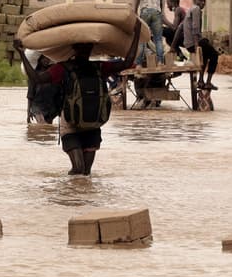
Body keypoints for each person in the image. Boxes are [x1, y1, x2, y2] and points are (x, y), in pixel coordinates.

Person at [16, 22, 140, 175]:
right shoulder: (64, 68)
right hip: (70, 124)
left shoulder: (99, 67)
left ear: (91, 48)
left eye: (87, 46)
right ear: (74, 48)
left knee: (86, 173)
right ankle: (69, 189)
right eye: (82, 46)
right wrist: (22, 54)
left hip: (92, 124)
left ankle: (77, 190)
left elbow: (127, 62)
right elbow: (36, 79)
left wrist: (136, 34)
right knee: (79, 169)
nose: (85, 49)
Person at [171, 0, 218, 90]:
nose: (203, 3)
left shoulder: (189, 11)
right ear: (195, 1)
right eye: (201, 1)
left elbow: (180, 28)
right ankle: (208, 82)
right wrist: (197, 46)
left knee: (205, 56)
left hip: (188, 44)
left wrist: (173, 46)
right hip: (194, 42)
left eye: (204, 1)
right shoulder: (196, 9)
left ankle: (201, 81)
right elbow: (195, 28)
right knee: (214, 55)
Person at [133, 0, 166, 67]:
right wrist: (160, 13)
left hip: (145, 12)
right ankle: (160, 62)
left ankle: (139, 63)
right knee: (158, 39)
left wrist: (135, 11)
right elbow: (161, 2)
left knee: (142, 39)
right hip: (156, 12)